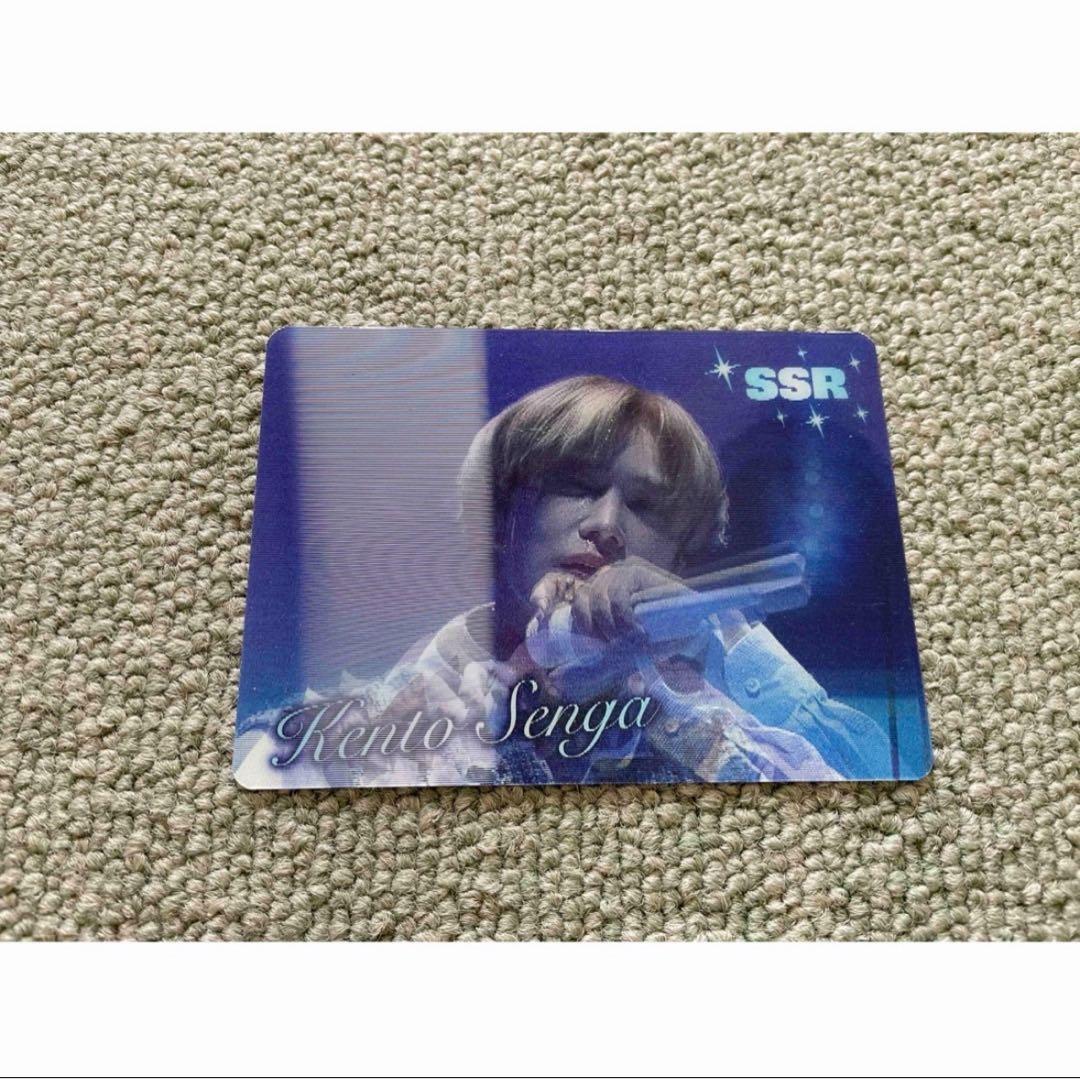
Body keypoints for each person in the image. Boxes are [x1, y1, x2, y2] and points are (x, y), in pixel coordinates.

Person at [236, 375, 891, 787]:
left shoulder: (706, 671)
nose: (606, 525)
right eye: (575, 488)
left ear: (681, 551)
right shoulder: (406, 701)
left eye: (646, 506)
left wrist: (702, 640)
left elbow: (866, 775)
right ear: (506, 513)